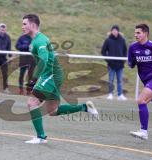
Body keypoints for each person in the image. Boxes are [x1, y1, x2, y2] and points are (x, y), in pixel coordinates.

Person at [22, 14, 98, 144]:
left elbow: (44, 60)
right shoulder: (37, 40)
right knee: (53, 111)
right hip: (53, 75)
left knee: (32, 103)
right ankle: (84, 107)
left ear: (33, 25)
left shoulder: (40, 41)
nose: (22, 26)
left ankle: (40, 137)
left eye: (24, 24)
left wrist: (34, 79)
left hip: (50, 75)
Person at [101, 25, 127, 100]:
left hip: (120, 65)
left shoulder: (122, 40)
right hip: (111, 65)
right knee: (111, 80)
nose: (114, 32)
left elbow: (125, 51)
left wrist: (123, 60)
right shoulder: (108, 40)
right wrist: (108, 60)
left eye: (116, 30)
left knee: (119, 80)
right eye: (113, 30)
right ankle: (110, 94)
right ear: (111, 31)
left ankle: (120, 95)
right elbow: (103, 51)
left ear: (118, 31)